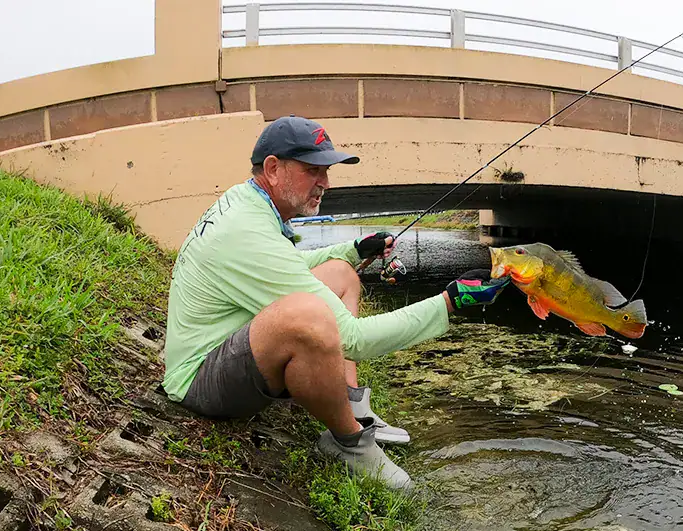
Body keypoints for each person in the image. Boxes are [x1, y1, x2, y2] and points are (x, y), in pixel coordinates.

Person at [162, 115, 509, 489]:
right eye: (314, 170)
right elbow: (355, 338)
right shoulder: (245, 229)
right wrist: (448, 302)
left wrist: (353, 249)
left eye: (326, 171)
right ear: (273, 169)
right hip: (198, 380)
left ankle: (352, 403)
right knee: (309, 316)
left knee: (342, 274)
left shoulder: (248, 201)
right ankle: (349, 442)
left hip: (224, 341)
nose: (325, 183)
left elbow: (287, 265)